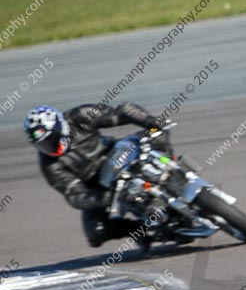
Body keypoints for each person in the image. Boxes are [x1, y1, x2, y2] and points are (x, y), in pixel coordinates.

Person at [23, 103, 165, 248]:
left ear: (60, 125)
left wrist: (148, 120)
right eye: (42, 144)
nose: (49, 146)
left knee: (157, 134)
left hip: (116, 154)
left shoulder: (80, 116)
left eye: (51, 138)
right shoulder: (50, 166)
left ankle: (171, 167)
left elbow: (123, 110)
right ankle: (137, 229)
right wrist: (105, 197)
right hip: (98, 186)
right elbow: (75, 195)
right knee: (96, 232)